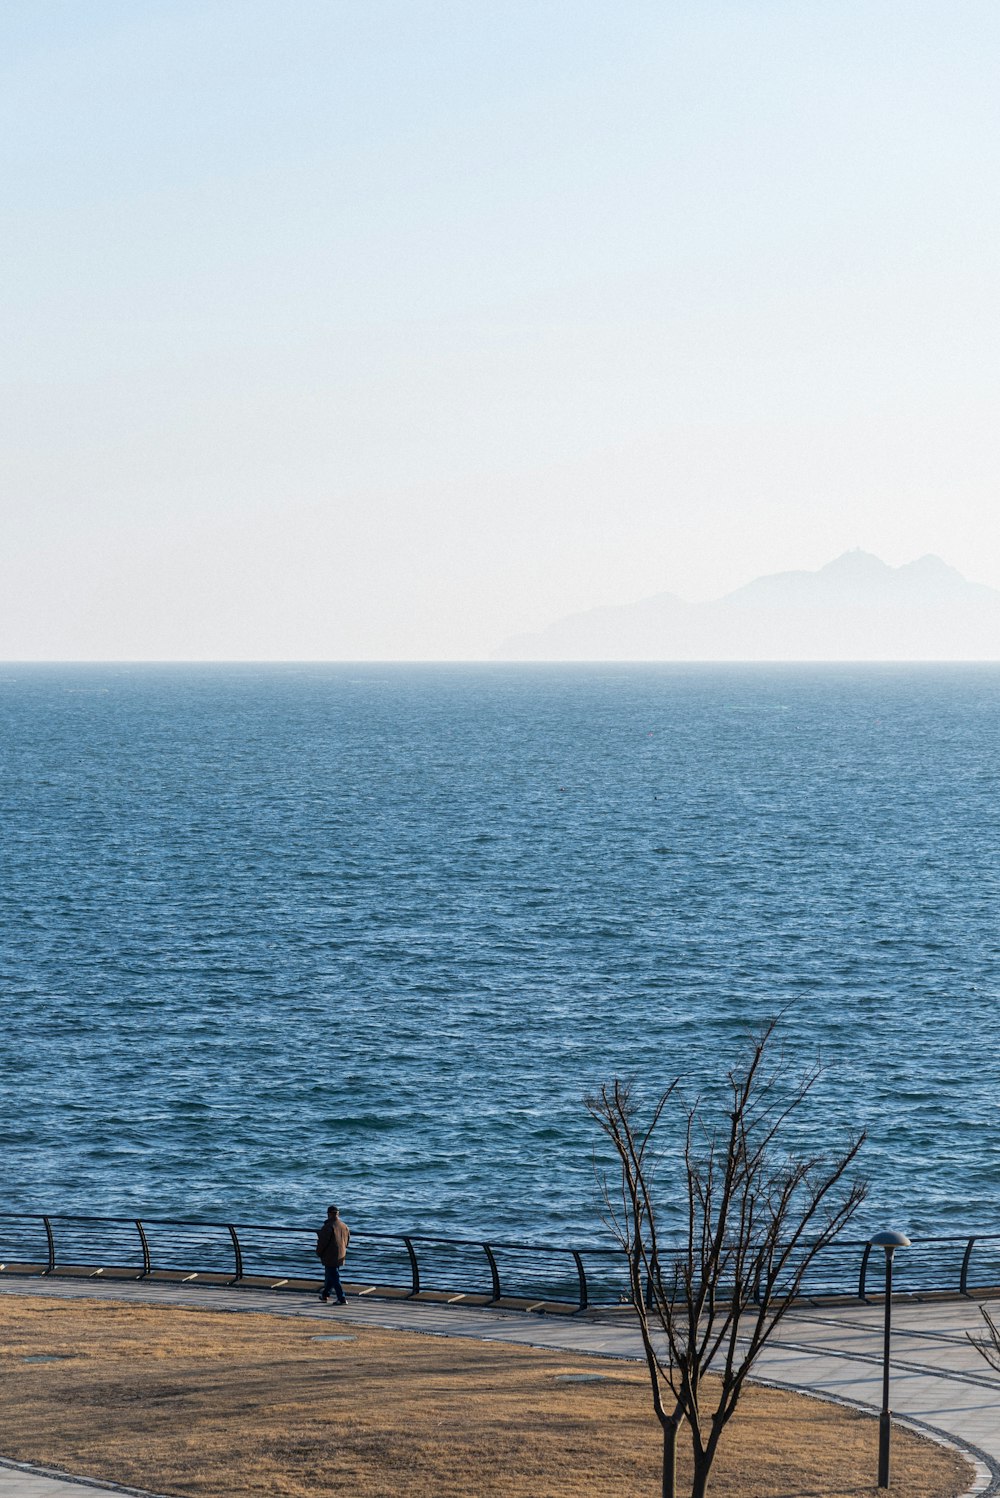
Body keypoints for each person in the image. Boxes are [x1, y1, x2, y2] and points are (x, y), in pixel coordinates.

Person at [316, 1204, 350, 1304]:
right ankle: (325, 1295)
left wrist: (318, 1252)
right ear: (337, 1214)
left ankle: (341, 1298)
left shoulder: (328, 1226)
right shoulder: (344, 1226)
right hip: (341, 1255)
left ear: (329, 1214)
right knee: (331, 1275)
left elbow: (323, 1242)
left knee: (334, 1277)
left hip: (330, 1256)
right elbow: (347, 1241)